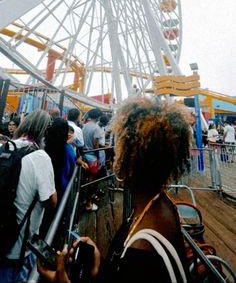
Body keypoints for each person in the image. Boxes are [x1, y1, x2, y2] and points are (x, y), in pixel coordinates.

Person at [37, 96, 192, 283]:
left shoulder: (142, 249)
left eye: (120, 145)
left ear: (129, 158)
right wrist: (100, 265)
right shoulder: (162, 205)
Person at [0, 109, 57, 283]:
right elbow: (51, 201)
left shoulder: (6, 147)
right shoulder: (40, 157)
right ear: (45, 132)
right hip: (19, 247)